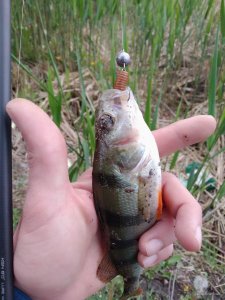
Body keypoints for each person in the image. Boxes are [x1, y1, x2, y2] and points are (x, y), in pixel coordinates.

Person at [8, 98, 216, 300]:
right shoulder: (129, 156)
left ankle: (130, 287)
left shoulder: (133, 155)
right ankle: (130, 287)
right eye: (107, 122)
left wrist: (25, 293)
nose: (113, 111)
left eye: (107, 122)